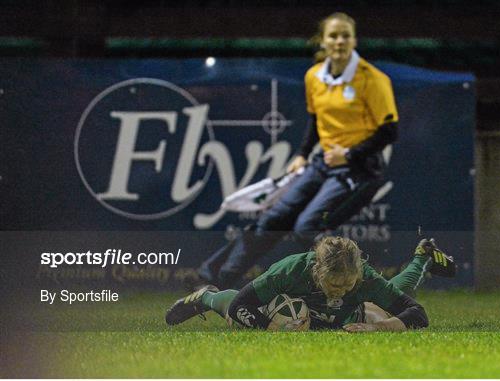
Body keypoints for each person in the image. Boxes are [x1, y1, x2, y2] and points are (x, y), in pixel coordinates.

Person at [197, 12, 400, 290]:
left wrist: (350, 154)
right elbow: (317, 121)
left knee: (307, 226)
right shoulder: (314, 76)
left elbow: (390, 132)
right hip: (324, 163)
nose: (339, 41)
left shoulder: (373, 79)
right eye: (333, 35)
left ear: (354, 40)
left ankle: (357, 289)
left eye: (345, 35)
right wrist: (302, 154)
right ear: (322, 41)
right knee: (273, 218)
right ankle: (217, 281)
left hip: (362, 169)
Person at [167, 236, 453, 331]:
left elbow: (417, 313)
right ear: (317, 272)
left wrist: (377, 328)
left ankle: (421, 256)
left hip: (345, 317)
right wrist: (271, 328)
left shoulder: (363, 277)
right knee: (235, 315)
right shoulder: (291, 270)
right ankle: (205, 297)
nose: (340, 291)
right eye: (334, 285)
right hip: (288, 311)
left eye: (347, 286)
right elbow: (244, 303)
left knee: (389, 303)